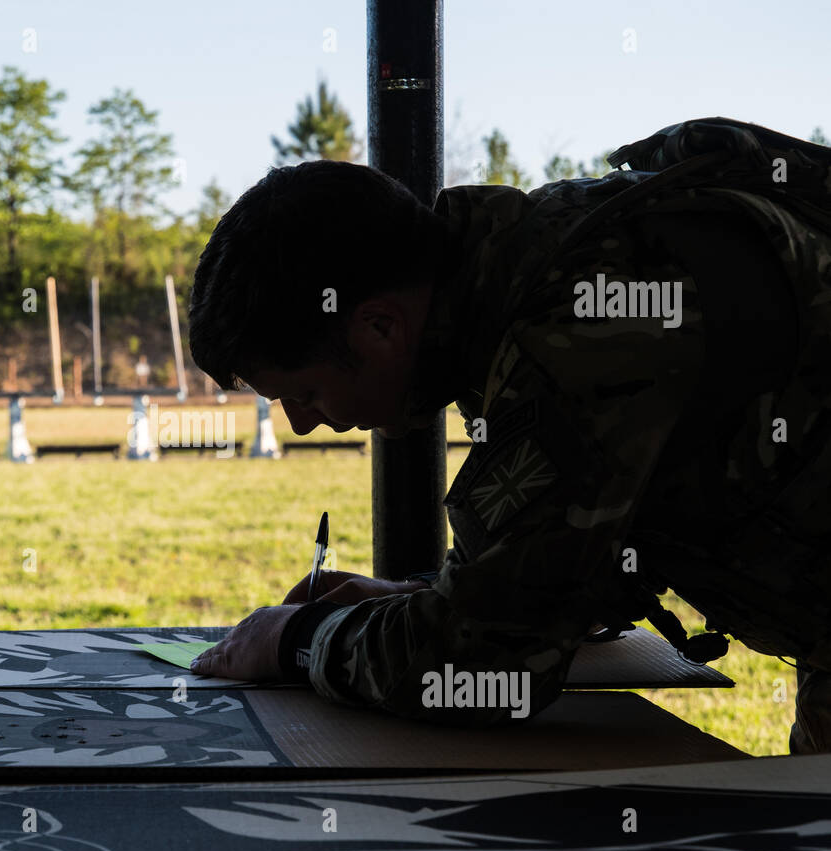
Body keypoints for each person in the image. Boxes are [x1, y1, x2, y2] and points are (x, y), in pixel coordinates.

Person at [186, 117, 831, 753]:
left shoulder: (573, 326)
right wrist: (428, 596)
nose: (300, 422)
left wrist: (297, 640)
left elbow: (483, 670)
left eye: (305, 393)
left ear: (379, 327)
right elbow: (566, 560)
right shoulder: (520, 277)